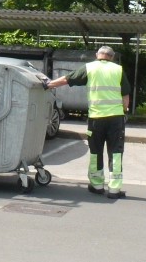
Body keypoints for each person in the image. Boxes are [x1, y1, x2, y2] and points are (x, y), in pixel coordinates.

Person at [45, 46, 130, 199]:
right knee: (116, 152)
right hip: (116, 119)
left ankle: (97, 185)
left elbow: (67, 79)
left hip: (96, 118)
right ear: (112, 57)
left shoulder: (90, 68)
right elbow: (125, 97)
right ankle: (114, 189)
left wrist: (48, 84)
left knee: (96, 151)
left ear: (97, 55)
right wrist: (124, 111)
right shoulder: (118, 70)